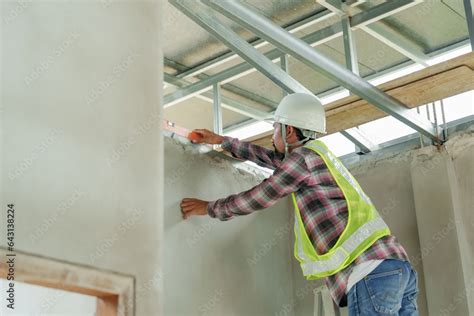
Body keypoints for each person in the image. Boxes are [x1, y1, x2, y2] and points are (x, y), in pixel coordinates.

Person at [180, 93, 419, 315]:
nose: (273, 137)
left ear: (290, 131)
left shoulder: (302, 160)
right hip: (397, 268)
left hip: (369, 271)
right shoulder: (317, 155)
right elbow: (274, 159)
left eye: (275, 129)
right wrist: (223, 141)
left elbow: (261, 196)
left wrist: (210, 207)